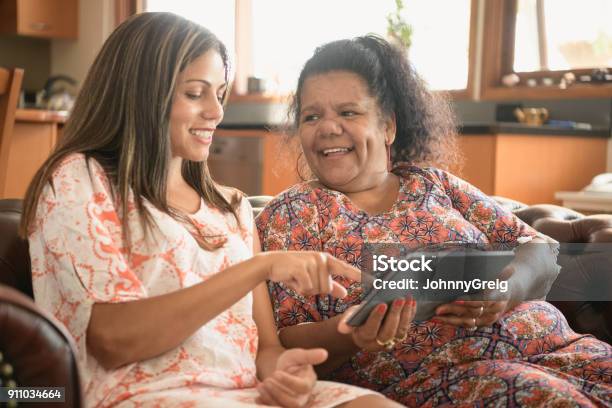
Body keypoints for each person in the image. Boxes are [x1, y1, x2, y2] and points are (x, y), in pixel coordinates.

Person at [20, 14, 404, 408]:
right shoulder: (78, 180)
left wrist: (287, 375)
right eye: (194, 93)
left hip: (248, 395)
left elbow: (265, 351)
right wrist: (259, 267)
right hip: (147, 396)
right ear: (141, 93)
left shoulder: (232, 209)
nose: (216, 111)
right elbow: (114, 341)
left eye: (218, 94)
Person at [256, 35, 612, 406]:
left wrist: (507, 291)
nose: (328, 128)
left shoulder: (433, 183)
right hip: (453, 376)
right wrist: (354, 333)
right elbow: (284, 339)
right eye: (312, 116)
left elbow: (541, 248)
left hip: (560, 347)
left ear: (388, 127)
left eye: (348, 112)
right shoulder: (292, 215)